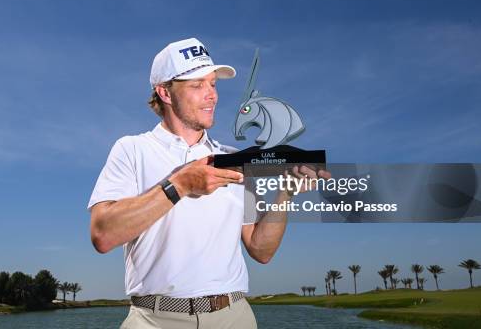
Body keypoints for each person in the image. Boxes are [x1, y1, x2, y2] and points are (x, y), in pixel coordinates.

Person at [88, 38, 328, 328]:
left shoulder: (234, 161)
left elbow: (260, 250)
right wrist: (181, 185)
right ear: (165, 92)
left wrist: (286, 193)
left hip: (234, 316)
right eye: (197, 85)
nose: (212, 95)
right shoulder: (132, 149)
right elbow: (102, 234)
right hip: (154, 320)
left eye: (213, 84)